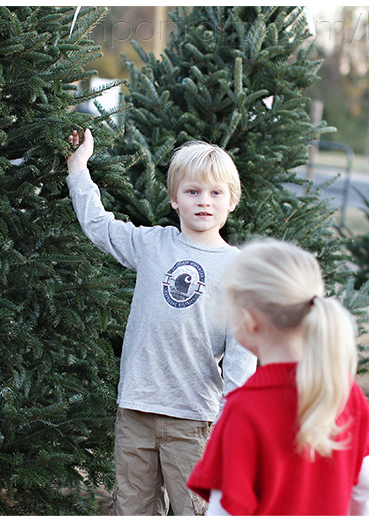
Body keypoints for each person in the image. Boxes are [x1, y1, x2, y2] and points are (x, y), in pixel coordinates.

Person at [66, 129, 257, 515]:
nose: (204, 201)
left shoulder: (240, 269)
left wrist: (232, 417)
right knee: (132, 510)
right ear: (174, 198)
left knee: (197, 512)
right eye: (193, 192)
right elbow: (99, 226)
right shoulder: (153, 244)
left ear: (232, 200)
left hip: (195, 419)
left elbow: (243, 352)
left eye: (215, 193)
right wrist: (77, 167)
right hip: (136, 410)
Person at [187, 238, 369, 516]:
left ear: (249, 320)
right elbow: (366, 488)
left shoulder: (243, 410)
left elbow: (226, 511)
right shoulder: (346, 392)